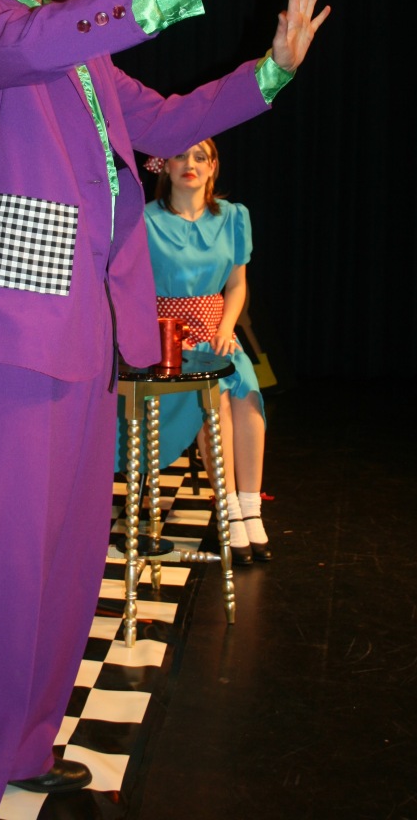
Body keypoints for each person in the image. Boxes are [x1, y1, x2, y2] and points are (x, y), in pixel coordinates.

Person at [0, 0, 330, 820]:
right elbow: (33, 46)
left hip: (88, 335)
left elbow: (167, 120)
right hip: (11, 329)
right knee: (2, 573)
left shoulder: (77, 50)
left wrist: (270, 72)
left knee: (64, 562)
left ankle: (22, 746)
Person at [119, 137, 271, 566]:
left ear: (213, 167)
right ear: (164, 166)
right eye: (180, 156)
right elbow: (129, 287)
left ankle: (250, 509)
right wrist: (162, 334)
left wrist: (225, 328)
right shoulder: (145, 220)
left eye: (200, 157)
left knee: (249, 398)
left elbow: (237, 285)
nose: (190, 163)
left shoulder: (233, 217)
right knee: (215, 400)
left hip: (219, 336)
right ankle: (228, 511)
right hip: (169, 344)